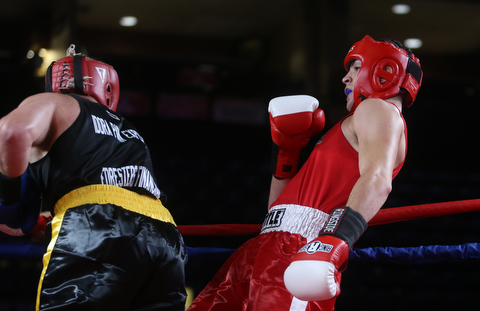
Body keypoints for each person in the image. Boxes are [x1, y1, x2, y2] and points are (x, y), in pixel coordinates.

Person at [187, 35, 423, 311]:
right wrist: (285, 152)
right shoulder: (357, 121)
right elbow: (277, 212)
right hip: (270, 243)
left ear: (385, 71)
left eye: (355, 68)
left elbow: (378, 180)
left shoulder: (379, 109)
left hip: (303, 249)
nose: (345, 79)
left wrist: (334, 241)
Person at [0, 45, 188, 310]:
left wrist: (8, 203)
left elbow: (11, 132)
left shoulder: (54, 102)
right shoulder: (129, 130)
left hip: (95, 225)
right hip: (165, 236)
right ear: (108, 87)